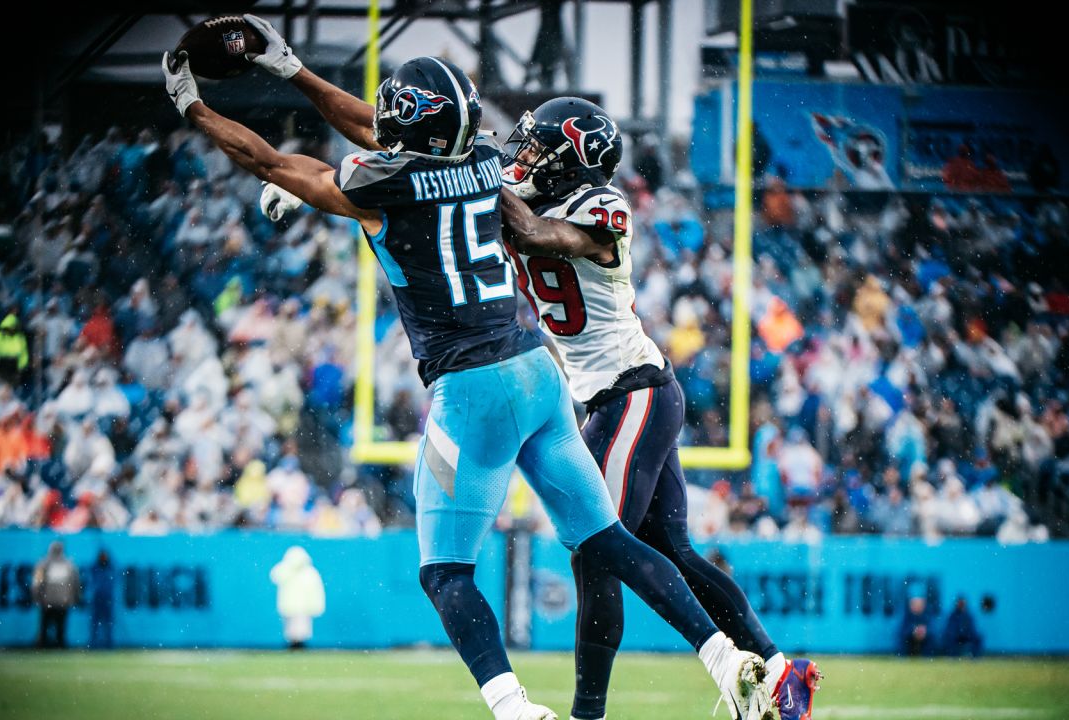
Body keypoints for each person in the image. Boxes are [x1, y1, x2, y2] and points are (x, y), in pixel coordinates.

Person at [171, 18, 773, 720]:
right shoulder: (485, 164)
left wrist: (194, 106)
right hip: (537, 374)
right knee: (607, 539)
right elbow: (380, 137)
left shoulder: (387, 180)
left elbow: (281, 162)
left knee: (446, 569)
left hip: (470, 391)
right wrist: (290, 70)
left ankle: (517, 707)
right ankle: (728, 660)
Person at [499, 97, 819, 720]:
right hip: (623, 396)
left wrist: (474, 171)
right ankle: (782, 675)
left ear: (570, 160)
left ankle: (593, 712)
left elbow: (536, 234)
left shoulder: (597, 206)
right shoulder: (526, 190)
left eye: (538, 147)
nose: (522, 157)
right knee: (671, 551)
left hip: (632, 392)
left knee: (596, 548)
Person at [269, 545, 326, 649]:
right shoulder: (285, 569)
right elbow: (275, 576)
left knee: (302, 628)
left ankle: (299, 644)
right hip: (289, 605)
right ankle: (293, 644)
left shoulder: (309, 572)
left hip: (303, 607)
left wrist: (316, 606)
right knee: (291, 628)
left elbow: (316, 591)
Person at [32, 540, 80, 648]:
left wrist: (36, 597)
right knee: (60, 627)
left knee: (45, 626)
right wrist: (76, 597)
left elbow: (37, 583)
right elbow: (75, 583)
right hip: (62, 601)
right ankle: (59, 646)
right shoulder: (69, 565)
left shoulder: (43, 563)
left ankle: (43, 646)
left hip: (47, 601)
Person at [88, 549, 115, 649]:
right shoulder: (95, 568)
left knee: (107, 623)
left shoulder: (110, 567)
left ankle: (108, 643)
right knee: (95, 623)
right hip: (97, 599)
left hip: (107, 599)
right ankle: (93, 643)